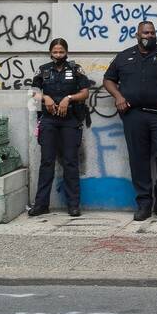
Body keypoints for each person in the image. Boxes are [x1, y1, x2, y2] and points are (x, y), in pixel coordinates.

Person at [102, 21, 157, 220]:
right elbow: (108, 79)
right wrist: (118, 97)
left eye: (152, 32)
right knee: (138, 159)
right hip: (134, 115)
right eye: (146, 32)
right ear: (137, 34)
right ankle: (144, 203)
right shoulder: (124, 56)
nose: (150, 35)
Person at [28, 38, 92, 218]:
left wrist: (69, 98)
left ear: (66, 52)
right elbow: (32, 92)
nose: (58, 55)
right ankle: (41, 205)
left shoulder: (75, 69)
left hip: (70, 121)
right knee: (47, 162)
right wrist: (44, 98)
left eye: (61, 52)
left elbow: (85, 92)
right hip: (48, 121)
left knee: (70, 162)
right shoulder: (43, 70)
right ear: (50, 53)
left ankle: (73, 205)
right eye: (55, 52)